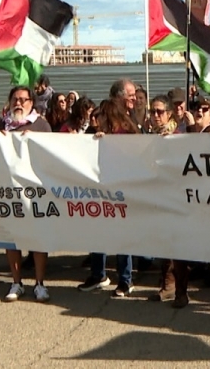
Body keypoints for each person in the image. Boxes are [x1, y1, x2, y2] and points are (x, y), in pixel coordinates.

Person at [81, 96, 139, 301]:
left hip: (122, 193)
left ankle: (125, 279)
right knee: (97, 232)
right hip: (101, 193)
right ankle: (98, 275)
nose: (98, 120)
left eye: (101, 115)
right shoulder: (99, 135)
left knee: (122, 236)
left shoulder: (129, 135)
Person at [0, 86, 53, 303]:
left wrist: (36, 141)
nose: (19, 103)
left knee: (38, 238)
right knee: (12, 239)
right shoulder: (2, 125)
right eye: (15, 99)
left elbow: (52, 153)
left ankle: (40, 284)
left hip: (35, 191)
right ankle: (16, 282)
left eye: (24, 99)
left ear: (32, 103)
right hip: (9, 190)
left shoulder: (41, 124)